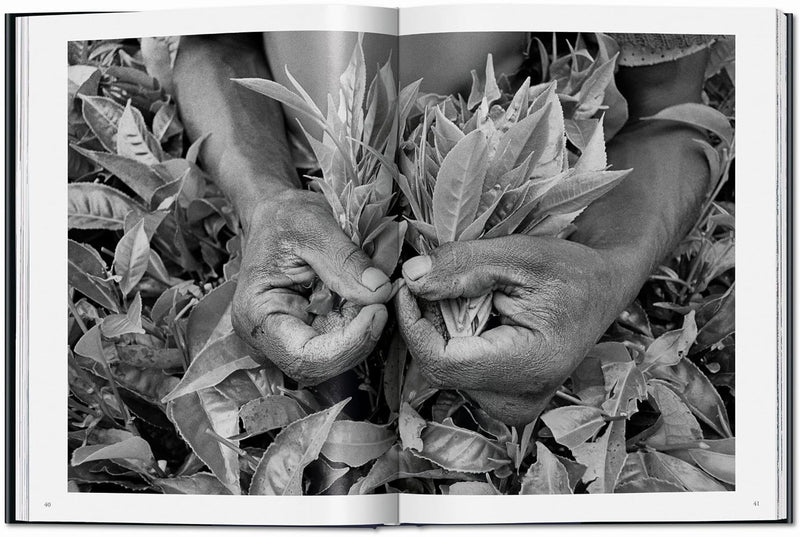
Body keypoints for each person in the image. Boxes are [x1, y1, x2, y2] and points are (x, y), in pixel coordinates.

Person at [173, 32, 715, 426]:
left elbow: (669, 107)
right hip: (308, 180)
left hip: (507, 207)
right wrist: (265, 199)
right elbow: (210, 38)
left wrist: (609, 266)